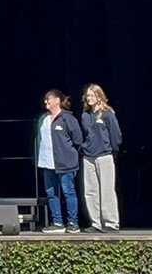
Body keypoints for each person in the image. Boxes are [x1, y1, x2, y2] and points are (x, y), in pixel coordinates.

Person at [37, 89, 84, 233]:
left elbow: (78, 140)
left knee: (68, 191)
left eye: (48, 99)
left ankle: (73, 222)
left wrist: (68, 155)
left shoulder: (67, 118)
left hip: (65, 163)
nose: (46, 102)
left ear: (57, 101)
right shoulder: (43, 119)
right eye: (45, 99)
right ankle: (57, 222)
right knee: (51, 193)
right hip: (47, 162)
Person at [79, 84, 123, 233]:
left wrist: (112, 150)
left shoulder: (107, 114)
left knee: (107, 189)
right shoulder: (85, 116)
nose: (89, 98)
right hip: (88, 156)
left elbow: (115, 135)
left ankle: (111, 222)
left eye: (92, 95)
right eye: (87, 96)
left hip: (104, 155)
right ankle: (95, 222)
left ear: (99, 96)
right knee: (90, 191)